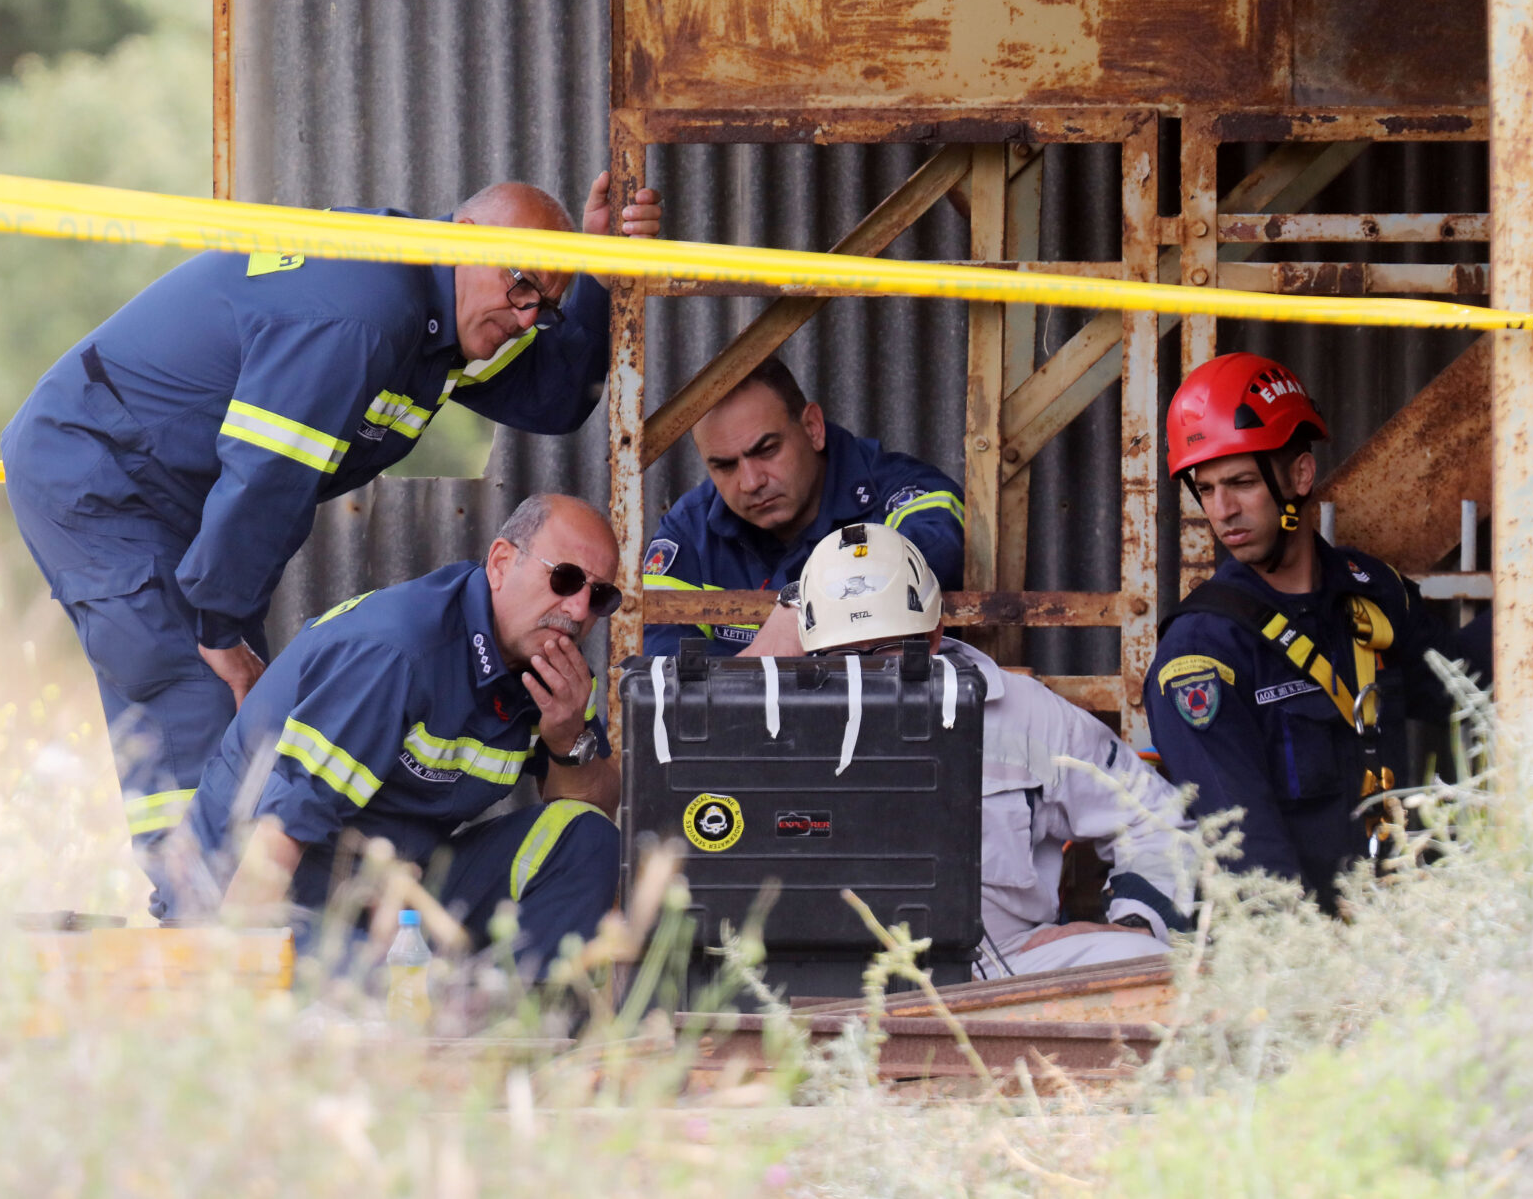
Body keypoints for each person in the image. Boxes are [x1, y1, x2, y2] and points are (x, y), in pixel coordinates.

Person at [2, 177, 659, 915]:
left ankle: (227, 951)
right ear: (467, 234)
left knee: (235, 745)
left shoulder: (444, 319)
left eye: (545, 301)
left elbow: (552, 397)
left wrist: (601, 276)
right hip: (102, 469)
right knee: (191, 692)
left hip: (190, 496)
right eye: (519, 285)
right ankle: (198, 965)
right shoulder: (367, 313)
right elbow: (267, 476)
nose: (526, 314)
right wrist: (217, 625)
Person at [179, 494, 623, 972]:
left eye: (599, 596)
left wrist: (567, 738)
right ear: (500, 563)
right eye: (565, 578)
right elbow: (280, 831)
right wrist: (233, 969)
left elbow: (590, 814)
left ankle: (521, 1025)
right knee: (405, 997)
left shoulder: (555, 671)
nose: (578, 611)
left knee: (587, 837)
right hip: (268, 895)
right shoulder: (398, 653)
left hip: (394, 896)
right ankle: (454, 1008)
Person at [1145, 352, 1492, 913]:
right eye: (1205, 489)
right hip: (1300, 960)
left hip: (1404, 925)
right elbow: (1249, 860)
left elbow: (1465, 688)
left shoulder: (1370, 592)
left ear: (1299, 475)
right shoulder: (1203, 655)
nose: (1222, 510)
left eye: (1239, 482)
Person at [793, 522, 1194, 976]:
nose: (867, 675)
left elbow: (1155, 817)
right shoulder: (773, 723)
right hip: (827, 976)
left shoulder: (1023, 715)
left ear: (933, 634)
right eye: (843, 657)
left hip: (1002, 971)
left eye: (887, 651)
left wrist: (1140, 924)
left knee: (1150, 966)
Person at [640, 355, 965, 657]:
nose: (751, 482)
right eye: (724, 466)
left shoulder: (897, 491)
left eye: (766, 450)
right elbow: (657, 663)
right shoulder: (690, 529)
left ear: (813, 428)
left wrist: (803, 608)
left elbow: (939, 544)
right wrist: (758, 668)